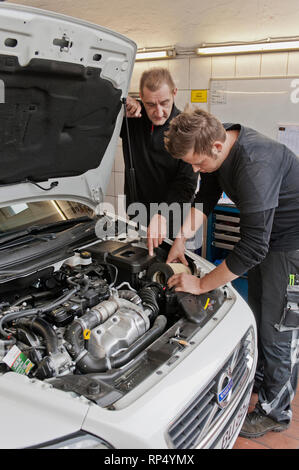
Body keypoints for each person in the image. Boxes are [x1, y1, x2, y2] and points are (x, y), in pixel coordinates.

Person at [163, 107, 299, 438]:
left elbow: (253, 247)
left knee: (279, 327)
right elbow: (204, 201)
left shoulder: (255, 166)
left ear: (217, 147)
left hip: (292, 245)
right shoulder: (214, 143)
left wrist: (199, 284)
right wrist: (180, 239)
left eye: (198, 163)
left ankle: (275, 412)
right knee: (259, 314)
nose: (195, 169)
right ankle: (264, 378)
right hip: (270, 241)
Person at [120, 68, 198, 254]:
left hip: (175, 219)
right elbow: (93, 109)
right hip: (138, 215)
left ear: (174, 93)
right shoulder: (131, 119)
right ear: (140, 97)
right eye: (150, 105)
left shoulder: (186, 129)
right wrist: (120, 104)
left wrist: (163, 214)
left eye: (164, 103)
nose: (159, 112)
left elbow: (186, 184)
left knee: (175, 273)